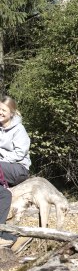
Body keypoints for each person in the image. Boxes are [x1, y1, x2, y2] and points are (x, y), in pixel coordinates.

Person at [0, 96, 30, 246]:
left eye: (3, 110)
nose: (0, 112)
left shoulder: (19, 129)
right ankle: (5, 234)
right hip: (2, 168)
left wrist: (1, 158)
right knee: (2, 195)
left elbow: (20, 154)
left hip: (19, 168)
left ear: (11, 112)